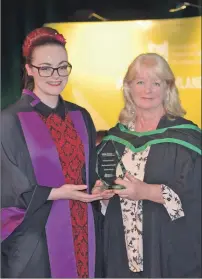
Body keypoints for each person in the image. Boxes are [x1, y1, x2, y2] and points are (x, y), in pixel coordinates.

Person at [1, 27, 109, 278]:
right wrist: (57, 192)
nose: (56, 75)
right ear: (29, 69)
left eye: (62, 67)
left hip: (84, 229)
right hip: (36, 241)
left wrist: (100, 188)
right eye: (46, 67)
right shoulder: (9, 121)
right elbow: (6, 188)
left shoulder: (81, 116)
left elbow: (88, 174)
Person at [93, 53, 201, 278]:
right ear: (128, 88)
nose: (148, 90)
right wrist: (102, 196)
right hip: (121, 250)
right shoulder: (114, 140)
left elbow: (195, 193)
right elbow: (104, 185)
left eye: (156, 83)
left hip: (169, 247)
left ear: (167, 88)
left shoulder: (186, 138)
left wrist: (147, 192)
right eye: (140, 82)